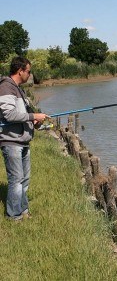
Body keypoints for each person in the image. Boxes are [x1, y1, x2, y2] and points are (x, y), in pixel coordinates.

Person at [0, 56, 49, 221]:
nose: (30, 74)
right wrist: (33, 115)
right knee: (16, 180)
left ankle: (23, 210)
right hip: (11, 141)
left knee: (24, 179)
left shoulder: (19, 89)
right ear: (20, 71)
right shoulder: (6, 87)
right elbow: (9, 114)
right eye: (28, 71)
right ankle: (13, 216)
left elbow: (23, 115)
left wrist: (34, 122)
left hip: (23, 141)